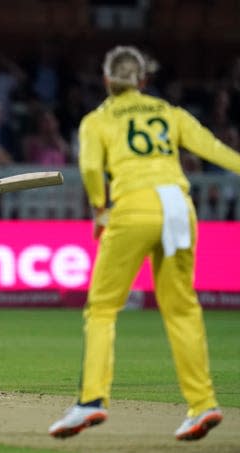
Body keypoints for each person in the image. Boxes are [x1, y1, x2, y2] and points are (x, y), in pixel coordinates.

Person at [48, 45, 240, 441]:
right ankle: (202, 404)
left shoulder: (97, 120)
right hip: (178, 205)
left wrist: (100, 209)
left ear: (106, 81)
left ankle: (92, 401)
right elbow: (214, 149)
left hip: (134, 207)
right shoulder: (169, 113)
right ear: (143, 81)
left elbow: (89, 167)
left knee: (102, 308)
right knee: (183, 309)